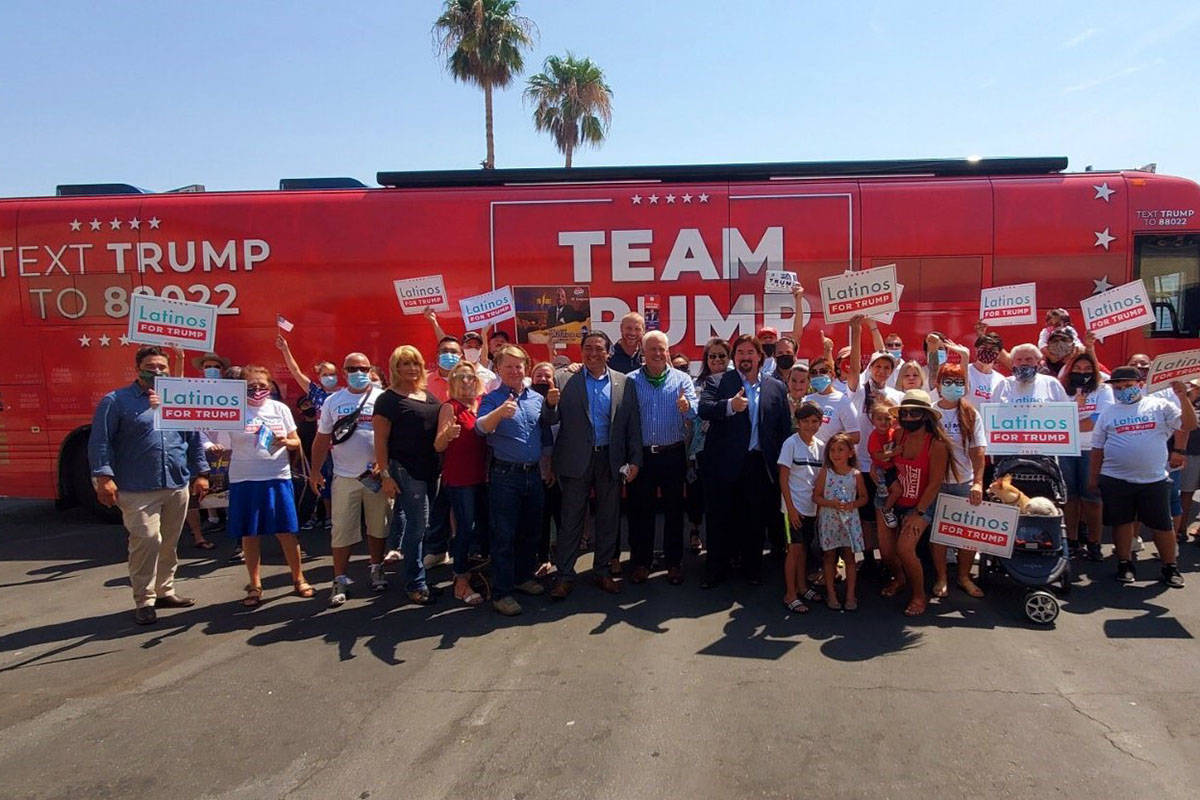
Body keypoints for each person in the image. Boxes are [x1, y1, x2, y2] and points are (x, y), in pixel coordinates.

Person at [88, 346, 209, 624]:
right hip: (136, 487)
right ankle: (144, 599)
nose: (157, 371)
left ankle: (165, 591)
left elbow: (193, 438)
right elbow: (100, 442)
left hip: (176, 484)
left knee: (169, 542)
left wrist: (200, 472)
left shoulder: (179, 400)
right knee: (146, 540)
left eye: (162, 367)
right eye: (151, 366)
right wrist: (104, 478)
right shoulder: (116, 401)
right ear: (137, 368)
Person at [211, 365, 313, 607]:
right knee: (250, 533)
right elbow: (221, 445)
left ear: (270, 387)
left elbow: (296, 441)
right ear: (242, 387)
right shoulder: (233, 411)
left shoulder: (280, 409)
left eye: (262, 386)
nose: (257, 390)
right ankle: (255, 584)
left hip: (277, 476)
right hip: (244, 478)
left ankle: (299, 578)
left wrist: (285, 441)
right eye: (252, 386)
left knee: (286, 531)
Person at [550, 331, 642, 598]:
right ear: (581, 351)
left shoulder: (625, 383)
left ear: (608, 352)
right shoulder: (564, 379)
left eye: (599, 348)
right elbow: (551, 419)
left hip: (609, 460)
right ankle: (564, 576)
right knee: (571, 520)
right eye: (588, 348)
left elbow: (632, 426)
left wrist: (635, 459)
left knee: (608, 519)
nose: (593, 353)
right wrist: (549, 405)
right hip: (575, 460)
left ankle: (602, 571)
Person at [699, 334, 792, 587]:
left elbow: (784, 428)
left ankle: (752, 569)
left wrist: (784, 464)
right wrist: (730, 405)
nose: (745, 357)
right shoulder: (718, 381)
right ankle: (716, 570)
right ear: (734, 358)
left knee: (754, 520)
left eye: (750, 352)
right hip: (724, 464)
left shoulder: (776, 387)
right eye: (740, 353)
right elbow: (704, 409)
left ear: (760, 357)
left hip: (759, 465)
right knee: (720, 519)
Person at [1089, 368, 1196, 588]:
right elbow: (1097, 448)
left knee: (1162, 526)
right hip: (1115, 478)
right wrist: (1093, 479)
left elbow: (1188, 425)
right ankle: (1125, 563)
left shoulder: (1159, 405)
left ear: (1139, 384)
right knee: (1122, 523)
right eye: (1117, 388)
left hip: (1153, 479)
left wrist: (1183, 397)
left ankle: (1170, 567)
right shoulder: (1109, 413)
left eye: (1127, 386)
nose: (1122, 391)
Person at [476, 344, 559, 615]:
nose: (514, 370)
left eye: (519, 366)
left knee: (531, 531)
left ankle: (523, 578)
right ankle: (502, 593)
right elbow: (480, 428)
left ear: (525, 367)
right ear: (498, 369)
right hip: (505, 476)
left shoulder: (536, 398)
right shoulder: (492, 398)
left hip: (533, 474)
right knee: (504, 536)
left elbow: (544, 436)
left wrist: (547, 467)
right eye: (508, 366)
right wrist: (499, 413)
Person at [309, 352, 388, 606]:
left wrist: (384, 466)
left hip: (375, 475)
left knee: (378, 526)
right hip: (344, 476)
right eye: (353, 368)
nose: (358, 372)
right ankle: (339, 577)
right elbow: (322, 438)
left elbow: (392, 437)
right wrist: (314, 470)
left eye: (363, 368)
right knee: (342, 530)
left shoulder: (382, 399)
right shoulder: (333, 401)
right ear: (344, 371)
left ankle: (376, 567)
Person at [627, 330, 698, 584]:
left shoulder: (682, 380)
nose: (658, 353)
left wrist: (688, 407)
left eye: (662, 349)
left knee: (674, 511)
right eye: (652, 349)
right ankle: (641, 562)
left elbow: (694, 412)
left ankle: (674, 563)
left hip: (673, 454)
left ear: (668, 351)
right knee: (640, 511)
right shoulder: (630, 381)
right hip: (642, 457)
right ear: (643, 353)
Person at [373, 345, 442, 605]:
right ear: (395, 368)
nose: (411, 369)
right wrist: (385, 475)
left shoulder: (428, 396)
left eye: (415, 363)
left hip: (431, 469)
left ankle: (420, 577)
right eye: (405, 364)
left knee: (424, 525)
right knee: (418, 525)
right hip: (405, 468)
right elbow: (380, 441)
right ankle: (415, 583)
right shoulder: (387, 399)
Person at [878, 390, 955, 616]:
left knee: (905, 548)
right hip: (894, 500)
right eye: (905, 413)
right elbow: (886, 460)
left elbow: (935, 483)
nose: (909, 417)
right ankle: (900, 579)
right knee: (886, 550)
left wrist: (919, 512)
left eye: (915, 413)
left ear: (925, 415)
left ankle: (919, 595)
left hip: (922, 504)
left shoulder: (937, 445)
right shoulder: (898, 435)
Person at [434, 361, 489, 606]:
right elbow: (438, 445)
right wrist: (447, 434)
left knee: (482, 527)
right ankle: (460, 578)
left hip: (484, 475)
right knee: (465, 526)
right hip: (461, 476)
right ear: (453, 381)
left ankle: (477, 571)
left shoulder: (482, 404)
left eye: (470, 376)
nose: (466, 381)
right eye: (461, 377)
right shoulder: (450, 407)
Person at [930, 363, 987, 599]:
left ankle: (964, 577)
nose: (953, 387)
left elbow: (978, 450)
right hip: (935, 483)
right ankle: (942, 577)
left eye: (958, 382)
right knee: (939, 533)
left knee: (967, 535)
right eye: (948, 382)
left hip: (964, 482)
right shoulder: (931, 412)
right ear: (938, 384)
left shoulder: (971, 413)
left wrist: (978, 483)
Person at [276, 334, 336, 530]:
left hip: (341, 445)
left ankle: (335, 516)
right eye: (326, 374)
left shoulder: (343, 392)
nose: (330, 377)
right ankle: (320, 515)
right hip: (323, 444)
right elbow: (295, 371)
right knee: (319, 479)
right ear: (319, 376)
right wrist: (285, 349)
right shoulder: (317, 393)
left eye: (333, 373)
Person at [1058, 352, 1112, 560]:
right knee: (1069, 498)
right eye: (1078, 369)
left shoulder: (1103, 390)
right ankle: (1071, 541)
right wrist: (1075, 408)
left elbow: (1097, 420)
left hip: (1092, 449)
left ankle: (1094, 542)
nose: (1082, 373)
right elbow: (1054, 417)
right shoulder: (1062, 389)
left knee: (1092, 498)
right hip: (1066, 450)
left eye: (1087, 370)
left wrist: (1069, 423)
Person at [778, 402, 827, 612]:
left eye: (815, 421)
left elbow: (820, 480)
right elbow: (783, 477)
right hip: (794, 508)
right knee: (794, 550)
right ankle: (790, 595)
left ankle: (802, 587)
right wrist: (790, 508)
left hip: (811, 507)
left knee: (804, 549)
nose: (810, 425)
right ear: (798, 422)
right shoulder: (790, 444)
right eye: (805, 421)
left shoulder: (821, 446)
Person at [813, 432, 868, 611]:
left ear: (850, 453)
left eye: (840, 450)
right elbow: (816, 497)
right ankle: (831, 593)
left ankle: (851, 595)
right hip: (829, 521)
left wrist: (852, 504)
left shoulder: (856, 475)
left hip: (849, 521)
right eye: (832, 450)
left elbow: (864, 498)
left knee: (849, 557)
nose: (836, 454)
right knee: (829, 557)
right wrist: (831, 504)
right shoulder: (825, 473)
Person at [686, 338, 731, 555]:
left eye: (722, 355)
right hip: (700, 448)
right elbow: (694, 415)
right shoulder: (696, 384)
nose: (717, 360)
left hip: (729, 450)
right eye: (712, 356)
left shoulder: (736, 381)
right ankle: (695, 531)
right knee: (697, 494)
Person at [531, 361, 562, 576]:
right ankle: (543, 557)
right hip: (536, 469)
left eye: (547, 376)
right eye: (538, 375)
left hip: (561, 468)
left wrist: (553, 467)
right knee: (541, 515)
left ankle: (565, 560)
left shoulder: (563, 400)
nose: (543, 379)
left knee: (562, 515)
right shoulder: (528, 401)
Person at [803, 356, 856, 445]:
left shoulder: (843, 401)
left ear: (832, 374)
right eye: (813, 372)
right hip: (810, 457)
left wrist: (832, 446)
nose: (818, 375)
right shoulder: (806, 401)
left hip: (832, 457)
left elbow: (855, 436)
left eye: (823, 371)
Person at [995, 344, 1068, 404]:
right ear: (1013, 363)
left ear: (1038, 362)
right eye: (1019, 359)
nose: (1023, 363)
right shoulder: (1004, 385)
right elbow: (991, 414)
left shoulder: (1051, 383)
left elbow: (1066, 412)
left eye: (1028, 359)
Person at [967, 330, 1006, 403]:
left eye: (992, 349)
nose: (988, 351)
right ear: (976, 349)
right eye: (984, 348)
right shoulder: (964, 372)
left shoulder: (1001, 380)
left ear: (998, 354)